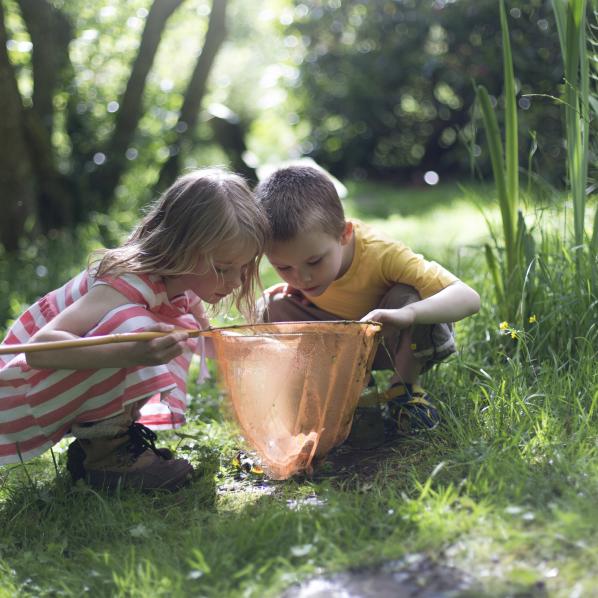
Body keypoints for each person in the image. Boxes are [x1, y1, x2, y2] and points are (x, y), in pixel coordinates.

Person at [0, 168, 269, 490]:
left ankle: (98, 450)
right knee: (139, 328)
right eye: (223, 268)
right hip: (17, 394)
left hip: (48, 390)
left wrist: (255, 349)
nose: (237, 282)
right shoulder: (125, 283)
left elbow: (207, 343)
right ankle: (108, 457)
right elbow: (39, 350)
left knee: (166, 329)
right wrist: (132, 350)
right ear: (182, 248)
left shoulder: (179, 285)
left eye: (243, 268)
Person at [255, 164, 480, 447]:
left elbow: (469, 298)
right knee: (272, 305)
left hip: (392, 340)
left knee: (410, 294)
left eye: (314, 262)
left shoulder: (381, 253)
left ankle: (404, 391)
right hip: (341, 346)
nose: (302, 277)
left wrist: (406, 314)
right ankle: (350, 393)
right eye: (284, 267)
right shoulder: (303, 272)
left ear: (345, 234)